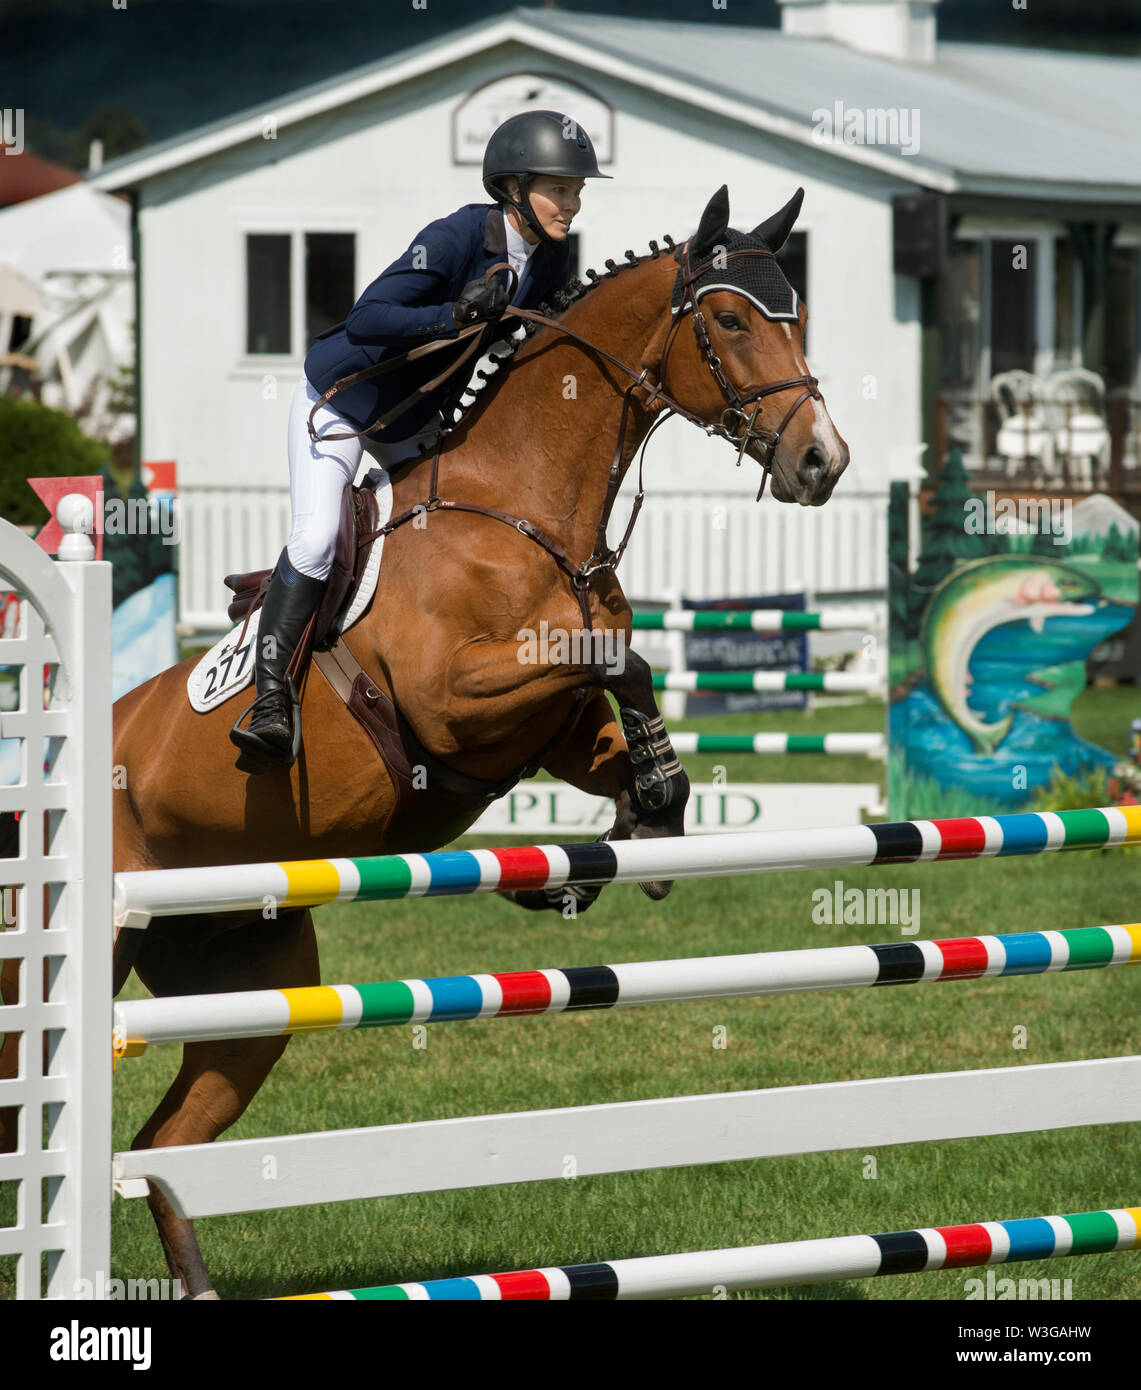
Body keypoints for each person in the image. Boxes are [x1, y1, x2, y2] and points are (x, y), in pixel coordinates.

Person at [231, 110, 610, 771]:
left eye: (578, 190)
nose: (572, 204)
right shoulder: (459, 234)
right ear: (514, 188)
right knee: (318, 537)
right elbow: (370, 316)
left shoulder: (552, 256)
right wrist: (456, 312)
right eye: (561, 189)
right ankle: (270, 699)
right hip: (345, 401)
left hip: (414, 418)